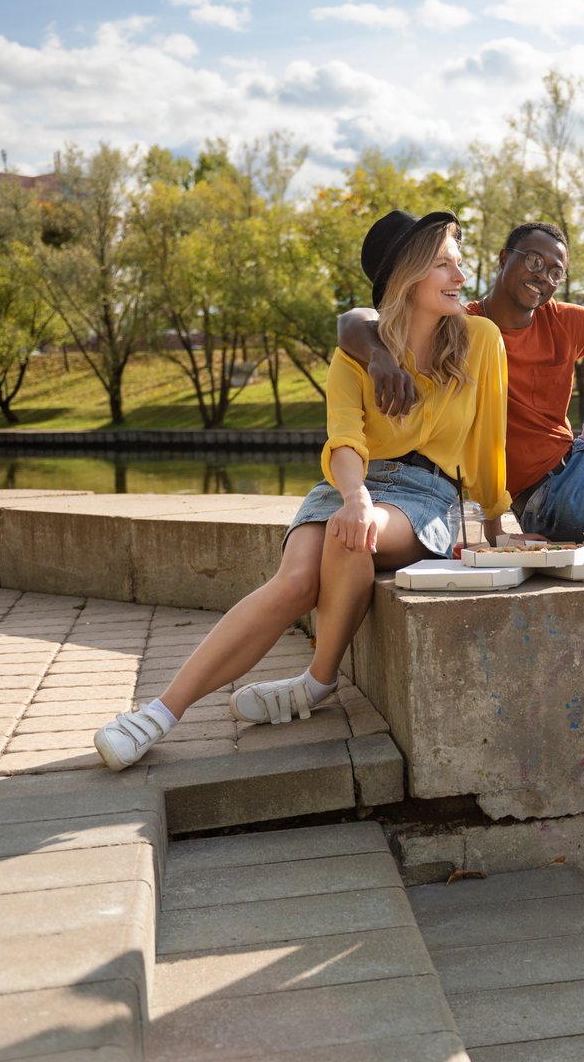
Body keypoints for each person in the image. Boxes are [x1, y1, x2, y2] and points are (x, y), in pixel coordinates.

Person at [92, 209, 508, 770]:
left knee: (348, 539)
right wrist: (356, 497)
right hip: (349, 484)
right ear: (404, 278)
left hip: (424, 497)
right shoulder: (356, 354)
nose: (460, 276)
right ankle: (160, 713)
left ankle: (317, 680)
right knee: (293, 581)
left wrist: (496, 519)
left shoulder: (480, 339)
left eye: (459, 263)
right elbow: (344, 439)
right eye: (442, 265)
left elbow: (489, 440)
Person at [338, 221, 584, 544]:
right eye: (534, 261)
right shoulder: (460, 329)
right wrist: (380, 357)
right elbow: (354, 321)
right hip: (551, 501)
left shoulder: (562, 320)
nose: (542, 277)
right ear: (504, 258)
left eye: (555, 272)